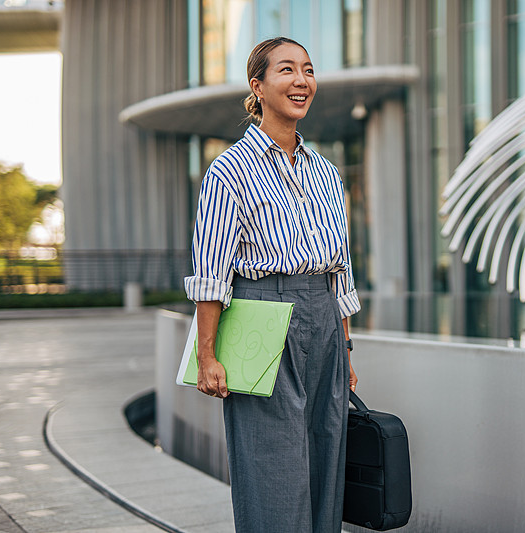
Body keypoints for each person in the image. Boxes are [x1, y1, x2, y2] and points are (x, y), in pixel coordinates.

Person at [183, 36, 360, 533]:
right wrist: (208, 355)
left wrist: (346, 346)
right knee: (272, 464)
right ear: (258, 87)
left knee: (327, 454)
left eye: (307, 69)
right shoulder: (229, 170)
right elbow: (211, 271)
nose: (301, 80)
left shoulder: (326, 172)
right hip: (261, 309)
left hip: (323, 314)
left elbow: (340, 268)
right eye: (287, 70)